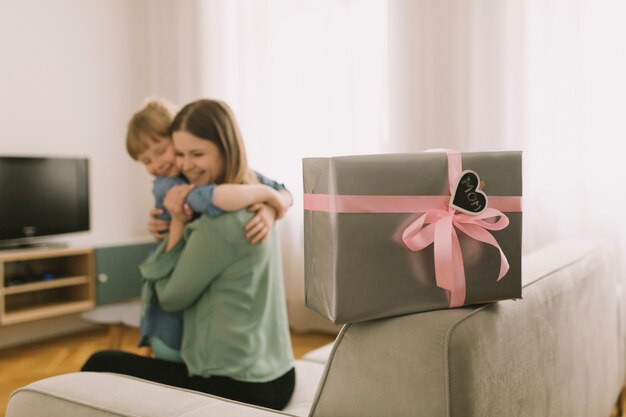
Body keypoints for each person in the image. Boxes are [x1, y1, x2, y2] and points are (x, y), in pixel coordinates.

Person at [83, 99, 295, 410]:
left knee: (98, 361)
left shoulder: (218, 222)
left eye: (197, 154)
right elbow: (281, 191)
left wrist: (177, 223)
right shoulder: (257, 205)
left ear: (226, 148)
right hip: (279, 373)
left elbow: (170, 298)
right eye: (180, 154)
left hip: (240, 384)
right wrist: (273, 200)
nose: (186, 165)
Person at [124, 98, 292, 362]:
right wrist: (264, 194)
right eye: (146, 161)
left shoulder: (228, 181)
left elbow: (283, 189)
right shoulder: (168, 185)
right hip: (171, 276)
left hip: (196, 281)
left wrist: (273, 207)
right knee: (170, 345)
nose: (156, 165)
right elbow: (213, 197)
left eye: (161, 151)